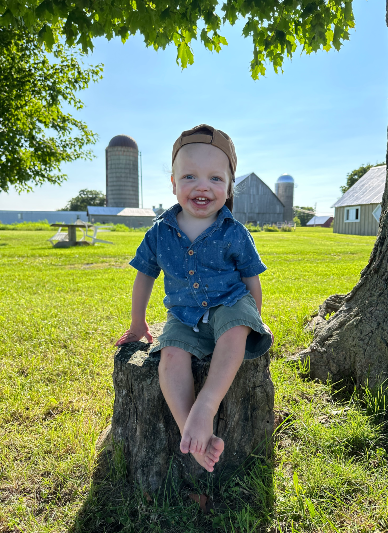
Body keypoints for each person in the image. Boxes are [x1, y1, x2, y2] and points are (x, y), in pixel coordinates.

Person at [115, 124, 273, 473]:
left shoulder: (234, 232)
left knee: (234, 331)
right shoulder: (160, 231)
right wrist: (138, 322)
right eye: (190, 176)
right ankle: (194, 432)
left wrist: (252, 319)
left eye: (216, 178)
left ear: (230, 187)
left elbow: (251, 278)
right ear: (173, 183)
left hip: (229, 303)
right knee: (170, 357)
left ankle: (206, 407)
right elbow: (144, 275)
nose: (203, 186)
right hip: (184, 314)